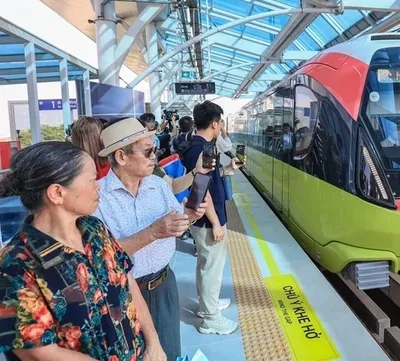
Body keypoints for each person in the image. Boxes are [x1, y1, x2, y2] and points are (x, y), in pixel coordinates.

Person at [0, 141, 166, 361]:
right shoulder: (17, 265)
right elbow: (37, 350)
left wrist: (153, 342)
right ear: (57, 193)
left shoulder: (94, 229)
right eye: (91, 180)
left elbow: (126, 280)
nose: (98, 186)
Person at [92, 118, 209, 360]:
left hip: (164, 284)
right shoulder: (97, 198)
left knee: (169, 351)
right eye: (148, 151)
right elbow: (101, 256)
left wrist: (190, 215)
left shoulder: (158, 185)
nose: (154, 156)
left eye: (154, 147)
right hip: (122, 294)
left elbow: (175, 225)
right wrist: (153, 232)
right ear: (122, 157)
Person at [180, 101, 243, 335]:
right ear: (215, 123)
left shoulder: (201, 147)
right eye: (220, 124)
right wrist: (216, 223)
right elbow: (202, 190)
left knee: (206, 264)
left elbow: (210, 178)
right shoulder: (200, 150)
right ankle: (210, 318)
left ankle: (209, 303)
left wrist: (227, 170)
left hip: (205, 218)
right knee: (212, 269)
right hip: (208, 220)